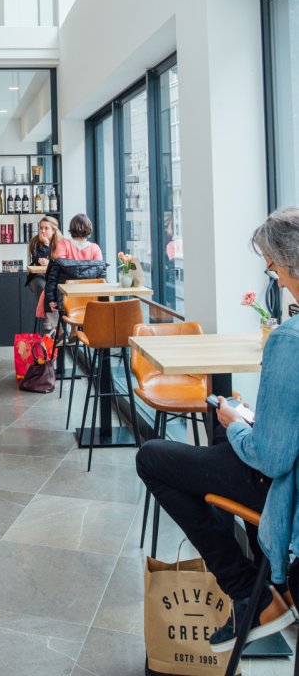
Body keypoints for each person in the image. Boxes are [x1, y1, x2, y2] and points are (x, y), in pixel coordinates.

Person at [136, 206, 299, 652]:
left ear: (290, 261)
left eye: (272, 267)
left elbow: (271, 458)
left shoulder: (289, 339)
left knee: (152, 458)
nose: (276, 280)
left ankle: (249, 591)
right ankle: (268, 587)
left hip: (283, 491)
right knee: (222, 452)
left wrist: (236, 425)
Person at [42, 212, 104, 320]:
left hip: (66, 299)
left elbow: (55, 272)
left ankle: (68, 328)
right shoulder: (95, 248)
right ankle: (82, 328)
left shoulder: (63, 244)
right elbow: (101, 277)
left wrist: (51, 299)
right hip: (91, 299)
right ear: (89, 229)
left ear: (71, 228)